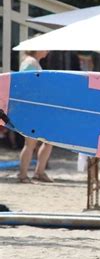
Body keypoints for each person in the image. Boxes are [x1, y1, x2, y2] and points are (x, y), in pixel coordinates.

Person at [17, 50, 54, 184]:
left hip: (37, 108)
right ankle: (22, 174)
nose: (48, 51)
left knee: (48, 140)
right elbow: (25, 85)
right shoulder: (30, 62)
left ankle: (39, 172)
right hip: (32, 109)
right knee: (30, 143)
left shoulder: (33, 62)